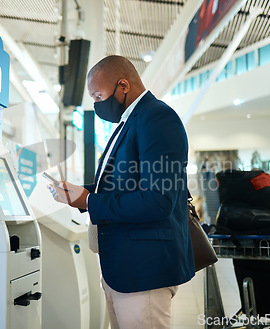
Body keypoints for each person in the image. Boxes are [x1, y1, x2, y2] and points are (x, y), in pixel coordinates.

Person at [48, 55, 195, 329]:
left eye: (98, 95)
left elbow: (158, 199)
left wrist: (90, 201)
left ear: (123, 86)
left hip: (144, 271)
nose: (96, 104)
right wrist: (82, 194)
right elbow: (124, 185)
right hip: (123, 268)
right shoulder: (129, 122)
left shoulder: (157, 118)